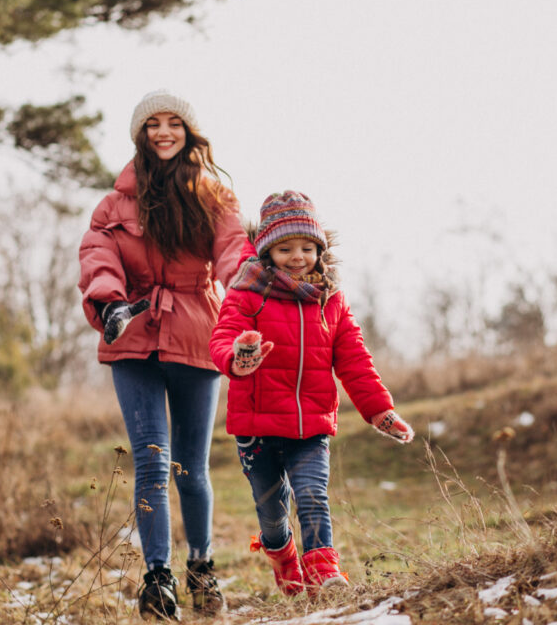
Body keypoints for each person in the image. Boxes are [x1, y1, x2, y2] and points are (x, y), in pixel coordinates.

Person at [78, 89, 247, 620]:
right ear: (141, 134)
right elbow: (97, 254)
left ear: (189, 132)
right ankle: (158, 580)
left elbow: (232, 252)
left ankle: (202, 568)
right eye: (154, 124)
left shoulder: (215, 198)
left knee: (190, 469)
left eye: (175, 123)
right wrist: (108, 304)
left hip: (198, 334)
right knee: (150, 464)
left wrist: (245, 294)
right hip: (132, 337)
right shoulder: (114, 205)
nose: (164, 132)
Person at [209, 190, 415, 598]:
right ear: (267, 251)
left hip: (310, 425)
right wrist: (240, 357)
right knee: (272, 514)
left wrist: (380, 411)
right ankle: (284, 558)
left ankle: (324, 572)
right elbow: (225, 337)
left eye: (307, 247)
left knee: (313, 496)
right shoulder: (248, 291)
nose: (298, 256)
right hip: (258, 427)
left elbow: (354, 359)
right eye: (285, 248)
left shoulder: (330, 300)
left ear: (320, 249)